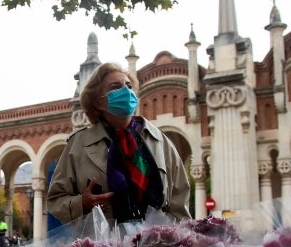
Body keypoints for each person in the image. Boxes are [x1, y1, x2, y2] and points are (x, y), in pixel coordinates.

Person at [47, 62, 191, 224]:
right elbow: (55, 201)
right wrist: (82, 204)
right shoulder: (78, 145)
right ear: (98, 102)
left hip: (155, 243)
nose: (126, 91)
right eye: (116, 87)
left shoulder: (160, 141)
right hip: (102, 245)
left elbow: (180, 205)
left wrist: (180, 242)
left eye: (129, 86)